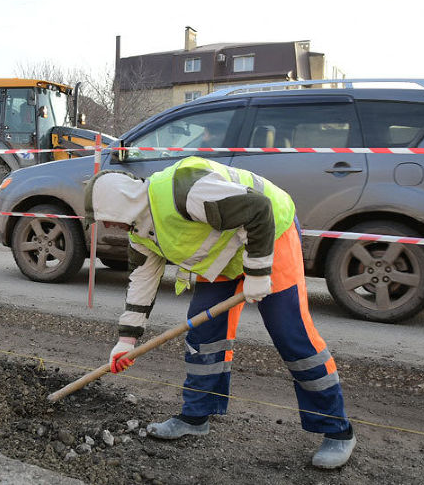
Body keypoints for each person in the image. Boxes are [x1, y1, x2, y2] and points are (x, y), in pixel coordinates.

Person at [85, 156, 356, 469]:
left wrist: (257, 273)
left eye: (104, 217)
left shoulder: (182, 190)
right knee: (204, 335)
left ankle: (337, 430)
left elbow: (258, 210)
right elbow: (142, 282)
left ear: (119, 204)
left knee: (292, 336)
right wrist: (126, 340)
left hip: (270, 235)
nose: (106, 226)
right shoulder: (140, 232)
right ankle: (195, 417)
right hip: (227, 255)